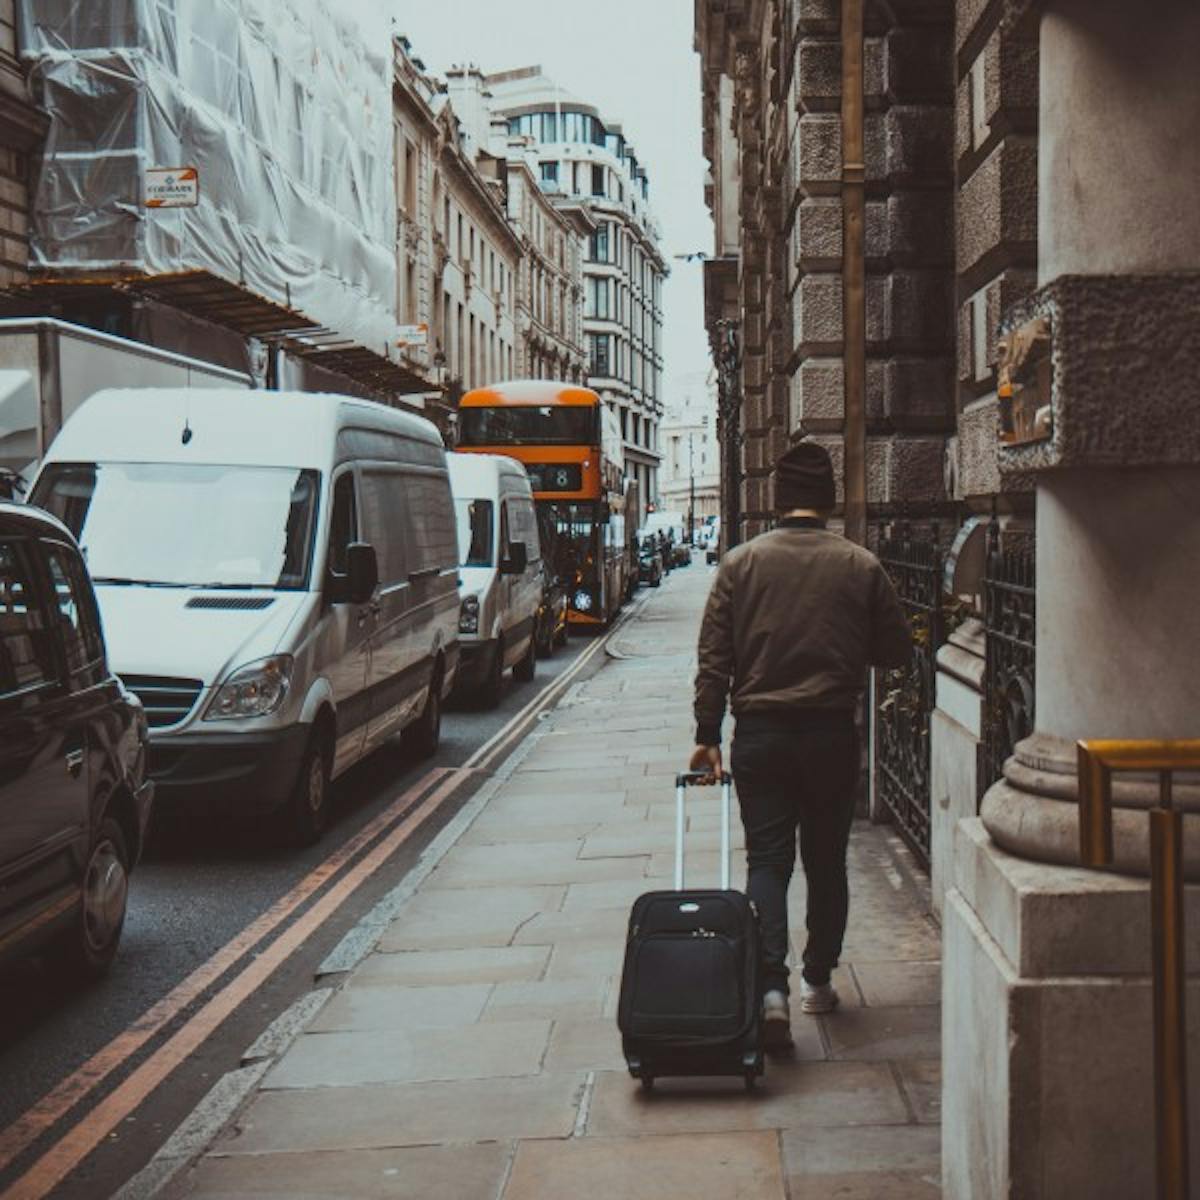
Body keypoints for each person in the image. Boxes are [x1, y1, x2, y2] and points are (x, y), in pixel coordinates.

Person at [690, 440, 911, 1049]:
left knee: (767, 862)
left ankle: (769, 991)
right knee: (825, 860)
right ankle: (817, 981)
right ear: (829, 499)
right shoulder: (860, 565)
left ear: (776, 498)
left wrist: (707, 736)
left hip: (759, 735)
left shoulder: (740, 564)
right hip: (829, 735)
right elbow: (895, 650)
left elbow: (715, 660)